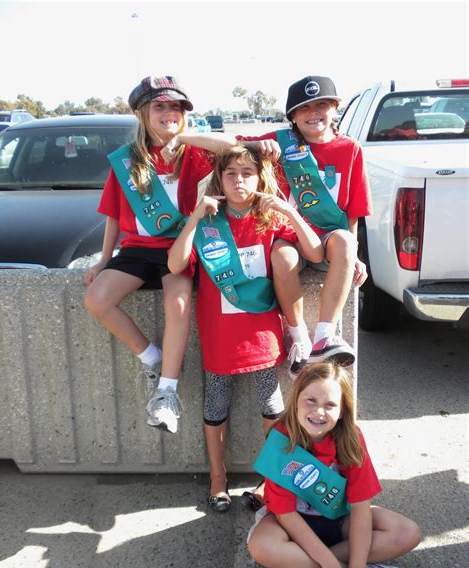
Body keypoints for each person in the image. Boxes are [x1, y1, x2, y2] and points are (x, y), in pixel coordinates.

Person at [168, 145, 323, 511]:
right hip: (220, 338)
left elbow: (315, 253)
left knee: (272, 407)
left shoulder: (270, 217)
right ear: (219, 179)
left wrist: (289, 211)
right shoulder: (208, 224)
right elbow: (175, 265)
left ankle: (271, 482)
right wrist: (192, 220)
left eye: (248, 173)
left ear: (260, 178)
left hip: (263, 338)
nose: (240, 180)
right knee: (215, 407)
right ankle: (217, 479)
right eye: (231, 173)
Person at [84, 75, 236, 433]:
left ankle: (167, 392)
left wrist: (181, 137)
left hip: (178, 247)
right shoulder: (127, 161)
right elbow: (112, 215)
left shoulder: (194, 153)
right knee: (96, 299)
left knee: (179, 302)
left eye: (176, 107)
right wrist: (104, 259)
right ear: (141, 113)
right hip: (138, 249)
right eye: (160, 106)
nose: (169, 113)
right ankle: (152, 357)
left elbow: (231, 144)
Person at [247, 362, 420, 568]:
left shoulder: (351, 438)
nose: (318, 411)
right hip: (291, 525)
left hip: (340, 519)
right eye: (310, 401)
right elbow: (286, 514)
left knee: (407, 533)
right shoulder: (280, 440)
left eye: (330, 405)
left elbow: (361, 507)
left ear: (342, 411)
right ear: (295, 402)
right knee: (261, 547)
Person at [240, 75, 372, 373]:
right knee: (281, 256)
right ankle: (298, 338)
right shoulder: (278, 143)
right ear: (293, 117)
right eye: (304, 108)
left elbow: (354, 210)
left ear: (335, 108)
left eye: (321, 104)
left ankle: (325, 336)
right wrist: (258, 144)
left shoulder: (350, 149)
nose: (313, 113)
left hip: (328, 242)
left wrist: (354, 256)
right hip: (290, 238)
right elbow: (223, 147)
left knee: (344, 242)